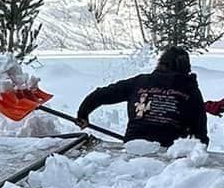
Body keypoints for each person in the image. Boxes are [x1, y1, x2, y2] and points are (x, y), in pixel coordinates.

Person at [75, 46, 209, 146]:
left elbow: (101, 95)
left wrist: (83, 114)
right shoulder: (190, 90)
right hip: (167, 153)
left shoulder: (140, 82)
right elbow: (200, 132)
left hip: (133, 145)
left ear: (160, 64)